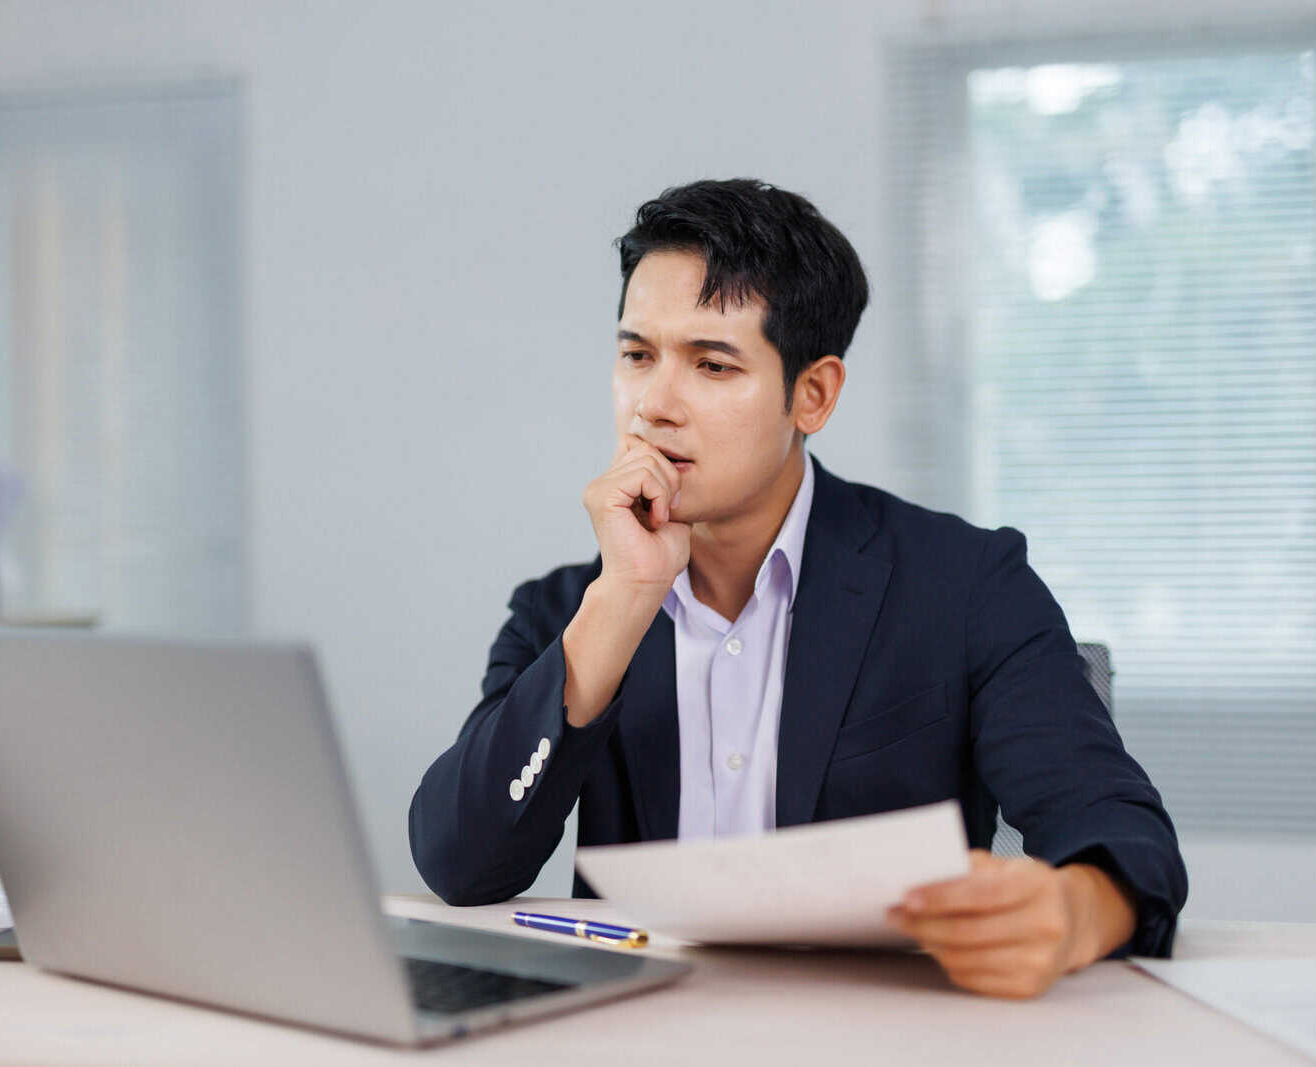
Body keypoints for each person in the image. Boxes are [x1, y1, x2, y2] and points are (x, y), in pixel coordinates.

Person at [409, 178, 1188, 999]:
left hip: (878, 1035)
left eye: (712, 364)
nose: (653, 406)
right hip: (632, 1035)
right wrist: (623, 598)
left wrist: (1073, 909)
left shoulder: (965, 585)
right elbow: (460, 862)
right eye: (637, 354)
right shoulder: (567, 610)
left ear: (811, 394)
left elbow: (1117, 828)